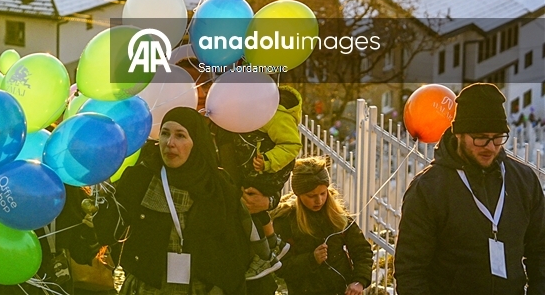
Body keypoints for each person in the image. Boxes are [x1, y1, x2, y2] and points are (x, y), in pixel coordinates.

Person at [395, 83, 545, 295]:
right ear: (459, 134)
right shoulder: (428, 188)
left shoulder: (524, 181)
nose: (491, 146)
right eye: (481, 137)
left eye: (498, 137)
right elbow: (410, 269)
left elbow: (540, 252)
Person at [87, 107, 252, 295]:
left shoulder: (216, 185)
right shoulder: (141, 177)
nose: (170, 143)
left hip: (200, 288)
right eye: (165, 134)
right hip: (148, 287)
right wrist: (99, 207)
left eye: (180, 136)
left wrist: (222, 287)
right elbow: (108, 232)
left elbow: (233, 248)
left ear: (196, 142)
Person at [214, 86, 303, 279]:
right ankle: (273, 244)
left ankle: (265, 255)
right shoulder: (249, 113)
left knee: (247, 207)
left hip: (263, 172)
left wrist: (268, 161)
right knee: (249, 207)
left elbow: (291, 145)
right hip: (255, 173)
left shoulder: (274, 114)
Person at [271, 158, 372, 295]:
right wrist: (312, 259)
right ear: (298, 194)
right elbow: (280, 266)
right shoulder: (285, 220)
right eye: (311, 196)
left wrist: (359, 281)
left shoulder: (338, 216)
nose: (319, 200)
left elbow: (362, 250)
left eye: (323, 193)